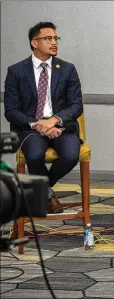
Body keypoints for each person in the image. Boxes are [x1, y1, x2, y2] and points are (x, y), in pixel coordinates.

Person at [4, 21, 83, 214]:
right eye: (48, 38)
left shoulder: (67, 69)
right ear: (34, 43)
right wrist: (36, 123)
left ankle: (42, 189)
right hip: (30, 128)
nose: (54, 42)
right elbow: (11, 110)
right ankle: (48, 195)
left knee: (71, 155)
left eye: (56, 38)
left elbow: (76, 105)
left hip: (61, 127)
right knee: (34, 154)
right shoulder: (16, 71)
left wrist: (53, 120)